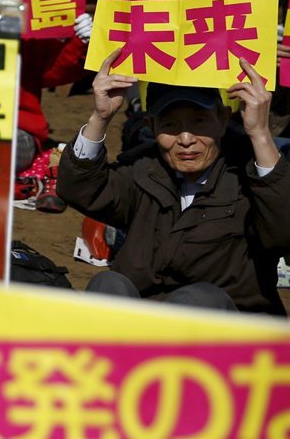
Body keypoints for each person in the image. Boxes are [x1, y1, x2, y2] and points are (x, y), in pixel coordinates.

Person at [57, 50, 290, 313]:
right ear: (152, 126)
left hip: (228, 325)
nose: (186, 139)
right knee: (107, 285)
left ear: (224, 119)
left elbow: (284, 229)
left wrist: (260, 134)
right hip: (147, 324)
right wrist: (100, 118)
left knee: (197, 300)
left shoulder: (248, 178)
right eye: (170, 125)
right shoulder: (143, 170)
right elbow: (79, 189)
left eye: (199, 122)